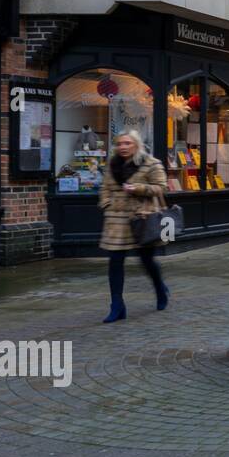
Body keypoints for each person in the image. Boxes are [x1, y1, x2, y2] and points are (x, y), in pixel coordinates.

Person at [98, 130, 169, 323]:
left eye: (127, 143)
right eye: (120, 143)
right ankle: (117, 306)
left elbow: (162, 187)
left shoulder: (150, 163)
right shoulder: (112, 164)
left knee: (146, 260)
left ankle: (160, 289)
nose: (123, 147)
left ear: (136, 144)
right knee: (115, 261)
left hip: (142, 217)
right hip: (116, 219)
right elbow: (104, 188)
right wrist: (106, 203)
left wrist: (137, 188)